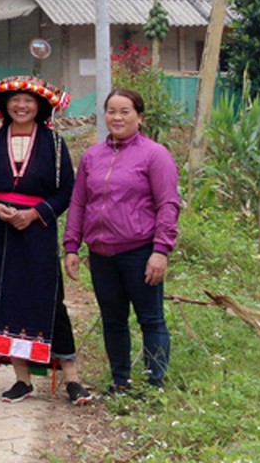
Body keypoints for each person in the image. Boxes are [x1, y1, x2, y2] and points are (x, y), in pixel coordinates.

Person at [0, 75, 91, 405]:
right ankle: (21, 379)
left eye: (28, 100)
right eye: (15, 100)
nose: (21, 105)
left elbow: (67, 190)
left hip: (37, 231)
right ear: (4, 106)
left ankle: (72, 379)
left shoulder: (54, 144)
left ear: (40, 107)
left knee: (48, 298)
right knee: (6, 298)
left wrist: (35, 214)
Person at [64, 88, 181, 395]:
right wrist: (72, 246)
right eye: (111, 111)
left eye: (125, 111)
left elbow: (168, 205)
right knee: (113, 319)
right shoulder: (92, 157)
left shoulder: (155, 155)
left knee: (151, 319)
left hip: (140, 252)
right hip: (102, 255)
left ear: (139, 117)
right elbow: (79, 203)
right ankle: (121, 381)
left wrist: (160, 251)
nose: (117, 117)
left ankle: (154, 384)